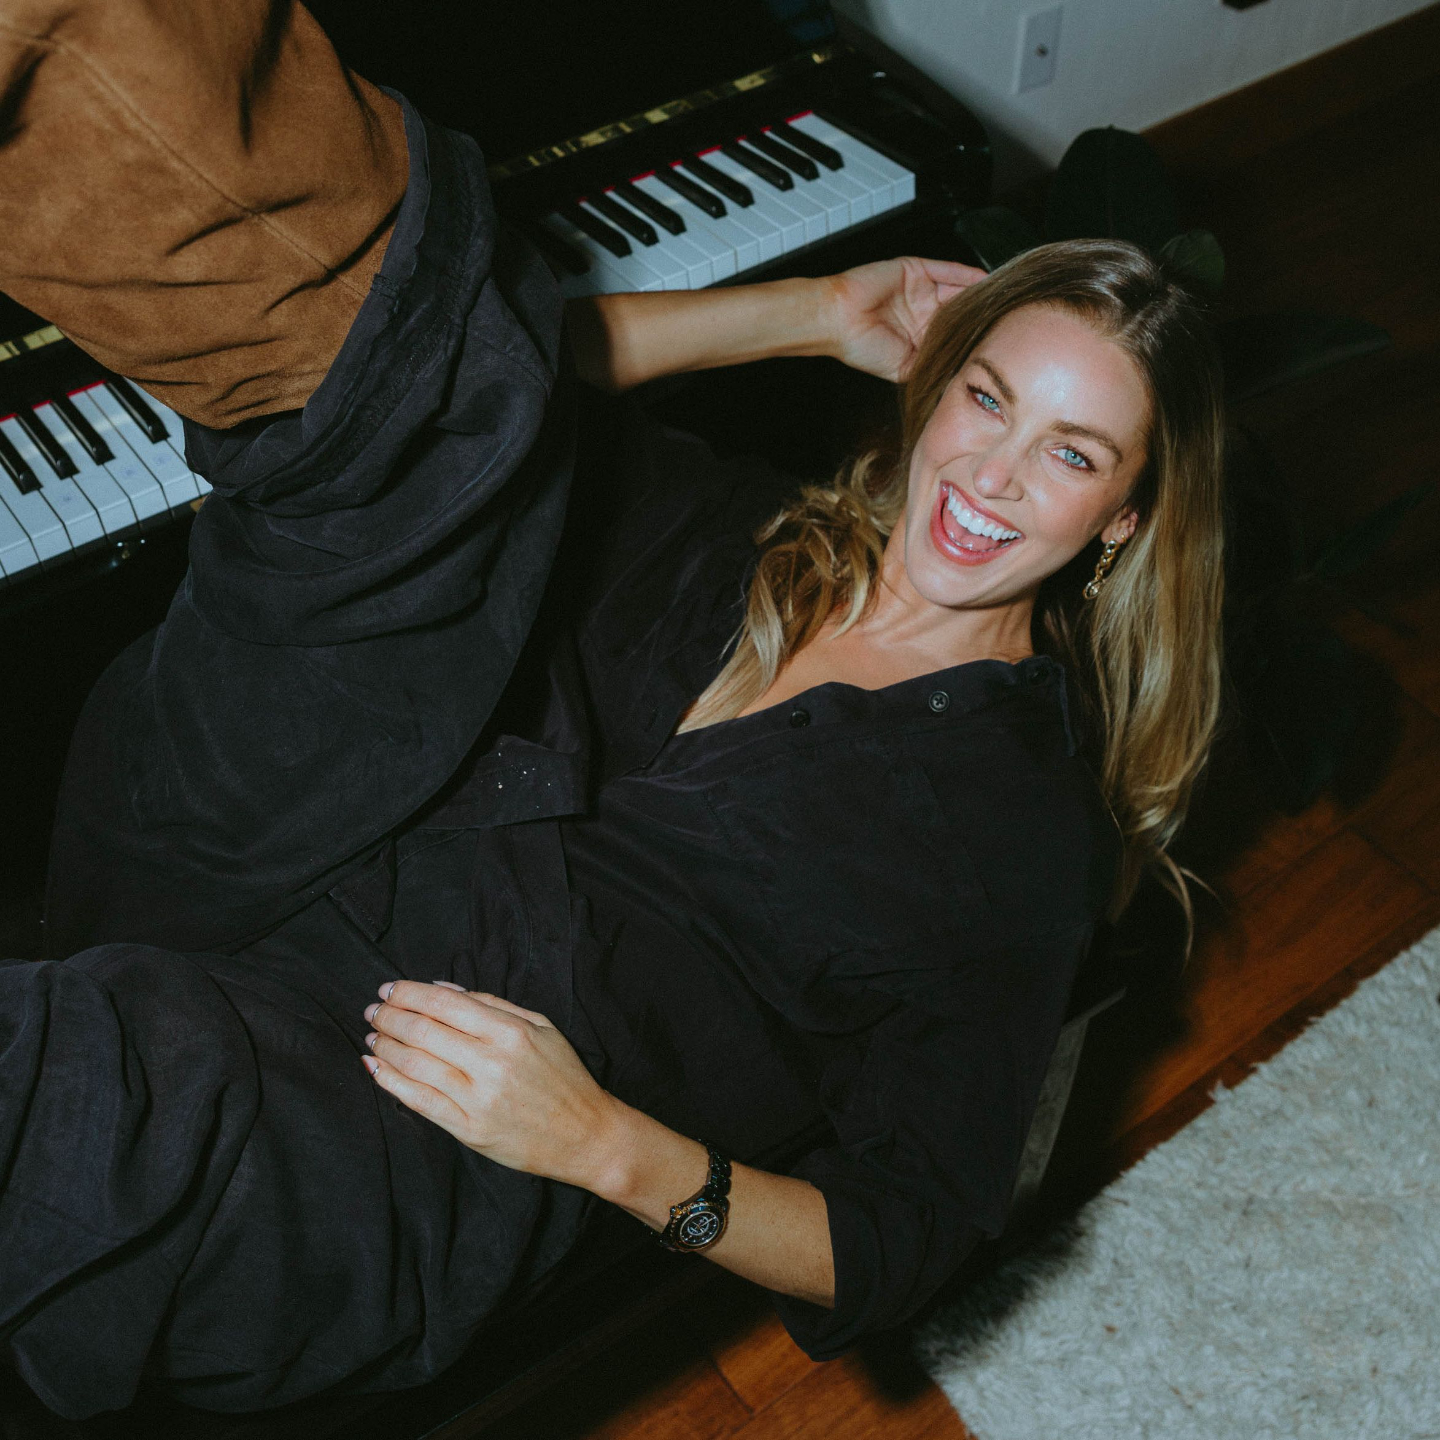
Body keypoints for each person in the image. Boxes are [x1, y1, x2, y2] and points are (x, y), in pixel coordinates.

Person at [0, 0, 1225, 1420]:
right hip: (272, 826)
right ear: (935, 384)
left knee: (72, 1104)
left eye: (1071, 454)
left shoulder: (1018, 833)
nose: (993, 475)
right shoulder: (745, 530)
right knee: (410, 397)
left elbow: (902, 1240)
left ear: (1126, 518)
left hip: (399, 1117)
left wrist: (605, 1147)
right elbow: (506, 376)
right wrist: (814, 311)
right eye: (989, 399)